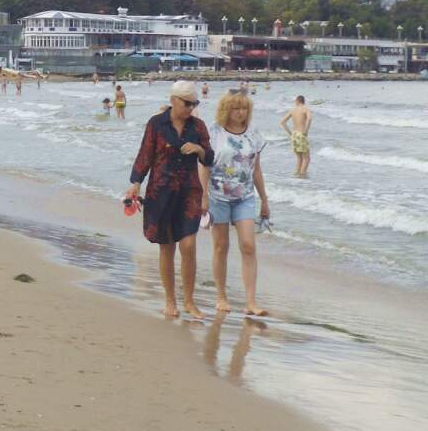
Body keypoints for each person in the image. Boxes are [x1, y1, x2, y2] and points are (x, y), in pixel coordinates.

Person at [124, 80, 214, 319]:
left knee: (189, 245)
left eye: (194, 103)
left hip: (189, 194)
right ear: (174, 100)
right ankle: (170, 300)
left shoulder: (198, 127)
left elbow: (209, 159)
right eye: (187, 103)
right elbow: (145, 155)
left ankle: (190, 301)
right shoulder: (156, 124)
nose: (191, 108)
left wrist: (198, 149)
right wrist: (135, 183)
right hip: (160, 193)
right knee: (167, 247)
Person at [200, 90, 270, 316]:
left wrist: (264, 200)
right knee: (221, 246)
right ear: (226, 109)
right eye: (236, 108)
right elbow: (204, 166)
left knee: (248, 245)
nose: (240, 113)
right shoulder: (214, 132)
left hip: (245, 196)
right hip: (217, 196)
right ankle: (221, 296)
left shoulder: (254, 134)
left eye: (244, 108)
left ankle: (251, 301)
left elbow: (256, 169)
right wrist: (202, 195)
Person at [280, 95, 313, 178]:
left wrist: (290, 133)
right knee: (306, 158)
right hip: (301, 134)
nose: (294, 102)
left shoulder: (293, 110)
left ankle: (297, 177)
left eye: (295, 101)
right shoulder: (306, 109)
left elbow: (282, 122)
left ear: (297, 101)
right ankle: (302, 177)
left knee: (299, 158)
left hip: (294, 134)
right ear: (303, 101)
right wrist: (306, 130)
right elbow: (309, 118)